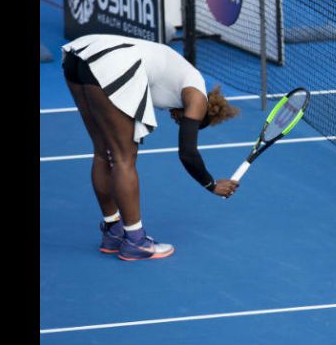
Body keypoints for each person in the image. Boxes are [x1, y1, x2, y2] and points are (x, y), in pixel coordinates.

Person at [61, 33, 240, 261]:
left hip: (79, 56)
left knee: (103, 152)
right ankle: (135, 241)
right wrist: (211, 184)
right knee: (123, 157)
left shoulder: (180, 81)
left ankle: (113, 231)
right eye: (188, 121)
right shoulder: (197, 97)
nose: (180, 121)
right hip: (111, 61)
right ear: (202, 114)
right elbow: (188, 152)